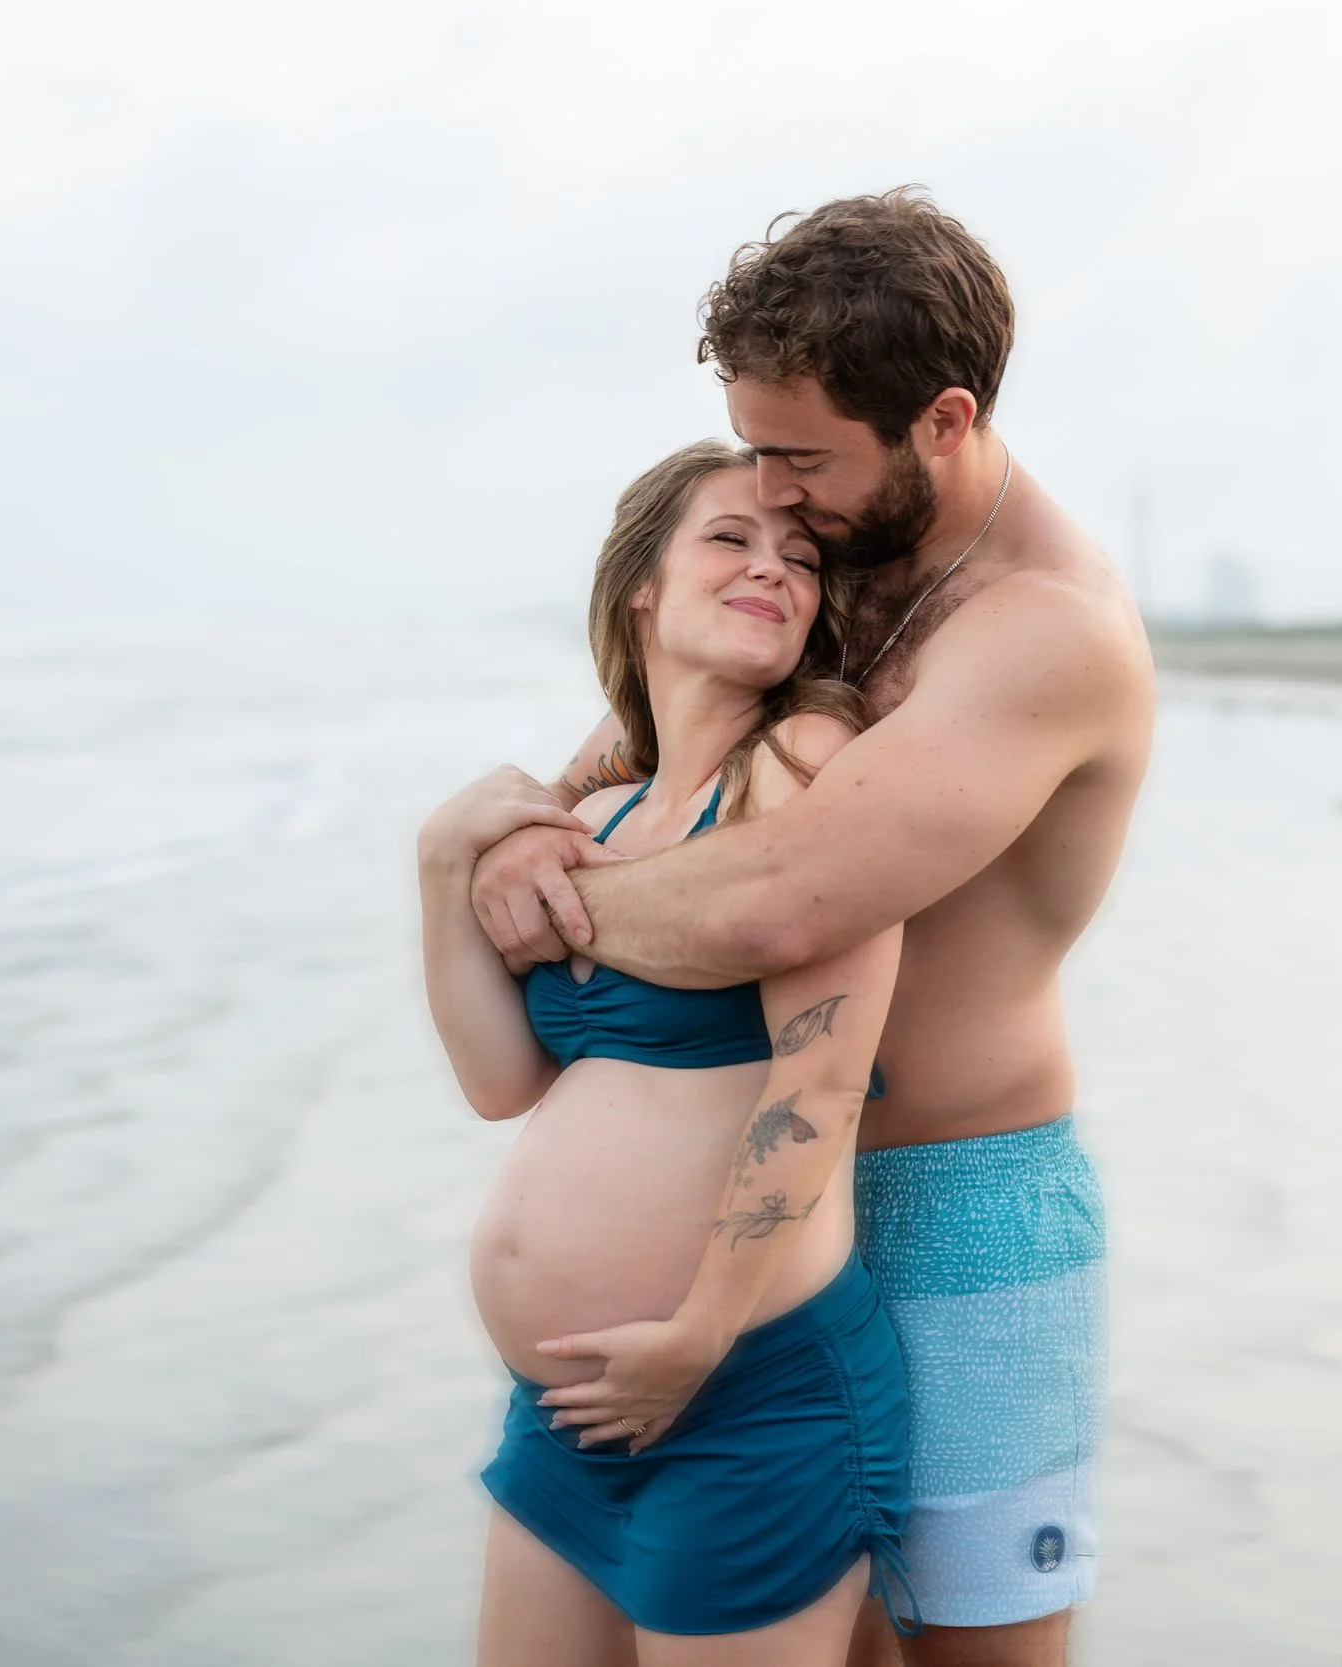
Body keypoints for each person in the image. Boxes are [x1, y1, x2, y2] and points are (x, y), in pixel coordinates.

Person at [453, 190, 1154, 1666]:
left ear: (943, 421)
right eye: (751, 446)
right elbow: (625, 762)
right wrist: (512, 830)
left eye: (800, 455)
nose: (772, 487)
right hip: (769, 1229)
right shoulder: (827, 572)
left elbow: (785, 901)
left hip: (957, 1209)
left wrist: (544, 898)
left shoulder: (1045, 627)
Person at [419, 440, 920, 1666]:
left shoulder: (801, 770)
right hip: (567, 1423)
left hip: (743, 1392)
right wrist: (442, 863)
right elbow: (502, 1084)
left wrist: (697, 1331)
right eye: (729, 539)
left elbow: (819, 1078)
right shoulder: (591, 819)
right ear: (641, 581)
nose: (772, 568)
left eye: (800, 557)